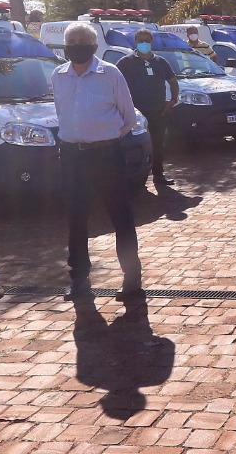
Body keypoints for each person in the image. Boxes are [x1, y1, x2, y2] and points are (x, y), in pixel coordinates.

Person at [53, 23, 143, 300]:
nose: (76, 46)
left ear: (94, 46)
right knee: (76, 217)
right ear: (65, 46)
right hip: (71, 156)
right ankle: (79, 279)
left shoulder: (110, 73)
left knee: (120, 215)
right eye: (71, 42)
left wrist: (103, 138)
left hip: (106, 155)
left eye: (82, 41)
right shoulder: (58, 75)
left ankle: (132, 279)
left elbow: (128, 118)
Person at [118, 28, 176, 186]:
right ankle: (132, 176)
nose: (144, 43)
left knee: (158, 144)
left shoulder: (160, 62)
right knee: (134, 145)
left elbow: (173, 81)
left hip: (158, 112)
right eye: (140, 41)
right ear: (135, 42)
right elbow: (114, 84)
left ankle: (158, 175)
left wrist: (173, 99)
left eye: (147, 41)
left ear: (152, 42)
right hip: (134, 115)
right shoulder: (125, 62)